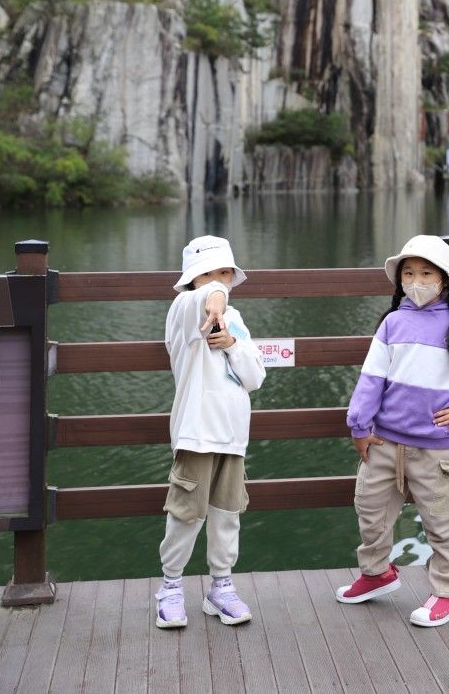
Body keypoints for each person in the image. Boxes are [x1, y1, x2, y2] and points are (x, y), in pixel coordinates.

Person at [336, 234, 449, 627]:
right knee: (370, 510)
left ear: (444, 279)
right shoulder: (393, 323)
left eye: (426, 273)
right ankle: (377, 573)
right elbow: (371, 378)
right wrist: (359, 425)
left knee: (442, 521)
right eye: (408, 273)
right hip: (384, 440)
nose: (416, 280)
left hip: (436, 449)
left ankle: (448, 593)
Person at [155, 235, 266, 630]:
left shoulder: (236, 321)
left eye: (224, 273)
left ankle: (221, 587)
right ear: (192, 278)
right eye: (207, 273)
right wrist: (213, 296)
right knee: (186, 514)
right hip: (196, 432)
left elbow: (254, 377)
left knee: (227, 514)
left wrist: (233, 343)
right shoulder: (182, 310)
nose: (218, 280)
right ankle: (170, 588)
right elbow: (203, 298)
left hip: (234, 436)